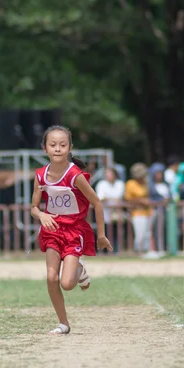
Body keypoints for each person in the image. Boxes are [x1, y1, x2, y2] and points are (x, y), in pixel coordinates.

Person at [31, 125, 112, 335]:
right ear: (44, 148)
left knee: (67, 284)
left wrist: (101, 235)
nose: (57, 149)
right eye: (53, 145)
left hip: (74, 231)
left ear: (70, 148)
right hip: (52, 231)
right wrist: (41, 215)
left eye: (62, 145)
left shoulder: (75, 175)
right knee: (51, 277)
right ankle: (63, 323)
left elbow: (97, 203)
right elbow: (33, 207)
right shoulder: (40, 176)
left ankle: (78, 270)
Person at [124, 163, 154, 257]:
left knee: (147, 234)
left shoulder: (145, 183)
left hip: (147, 212)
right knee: (139, 234)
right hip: (136, 212)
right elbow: (128, 199)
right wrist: (141, 201)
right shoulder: (130, 184)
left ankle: (145, 252)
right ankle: (138, 251)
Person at [96, 168, 125, 253]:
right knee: (105, 233)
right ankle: (104, 252)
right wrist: (112, 200)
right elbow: (100, 198)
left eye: (110, 173)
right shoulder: (101, 184)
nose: (108, 175)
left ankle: (115, 251)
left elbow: (119, 198)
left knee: (116, 233)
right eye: (107, 174)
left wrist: (109, 199)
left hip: (117, 213)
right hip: (104, 214)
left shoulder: (120, 184)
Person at [149, 163, 170, 254]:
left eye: (160, 173)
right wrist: (161, 201)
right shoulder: (151, 186)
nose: (159, 175)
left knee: (166, 229)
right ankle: (158, 249)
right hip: (156, 210)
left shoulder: (166, 185)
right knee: (157, 230)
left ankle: (165, 248)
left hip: (167, 210)